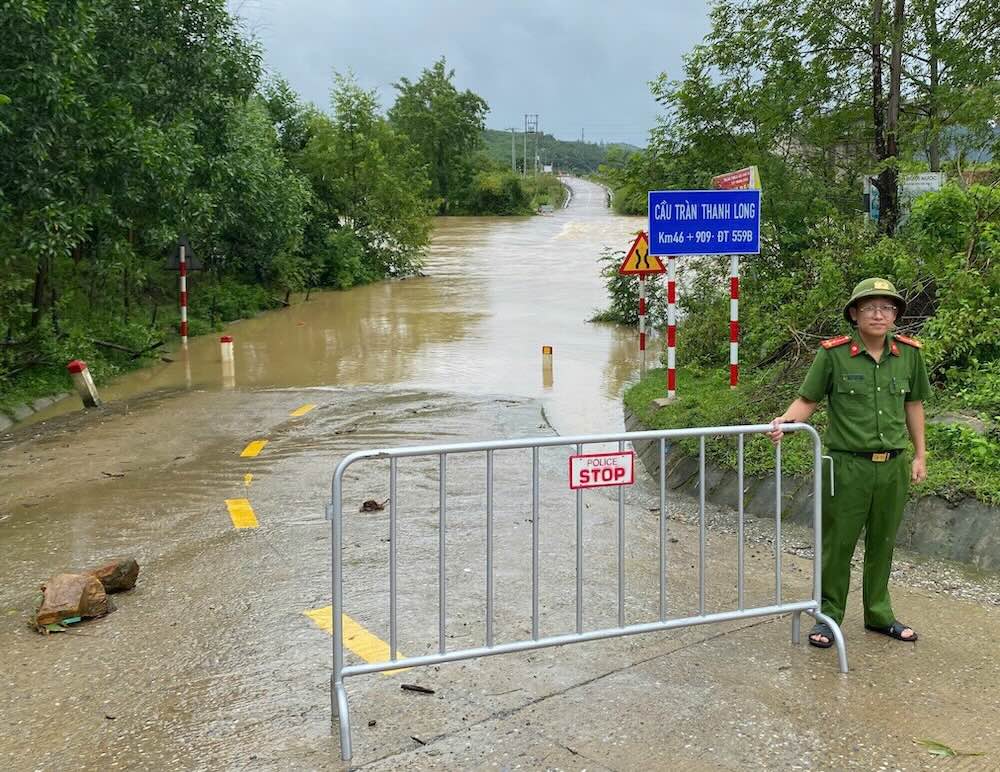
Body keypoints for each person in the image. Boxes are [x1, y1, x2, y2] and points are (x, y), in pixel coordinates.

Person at [767, 278, 931, 648]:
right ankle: (828, 617)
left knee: (883, 542)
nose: (879, 314)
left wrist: (920, 454)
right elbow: (807, 400)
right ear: (855, 314)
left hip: (893, 466)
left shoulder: (909, 354)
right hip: (846, 467)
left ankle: (879, 614)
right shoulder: (834, 354)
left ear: (895, 315)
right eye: (870, 307)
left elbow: (914, 405)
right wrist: (785, 423)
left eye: (887, 308)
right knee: (838, 543)